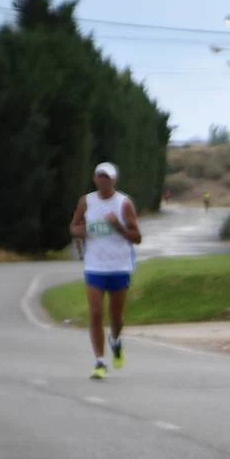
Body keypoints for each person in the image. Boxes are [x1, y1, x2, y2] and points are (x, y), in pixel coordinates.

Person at [70, 162, 141, 380]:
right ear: (94, 179)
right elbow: (74, 225)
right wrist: (80, 231)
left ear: (114, 180)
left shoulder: (124, 203)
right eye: (100, 176)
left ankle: (116, 341)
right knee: (96, 312)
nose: (103, 181)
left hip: (119, 266)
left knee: (116, 316)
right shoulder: (87, 201)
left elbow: (137, 237)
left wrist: (118, 226)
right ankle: (100, 362)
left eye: (107, 177)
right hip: (95, 266)